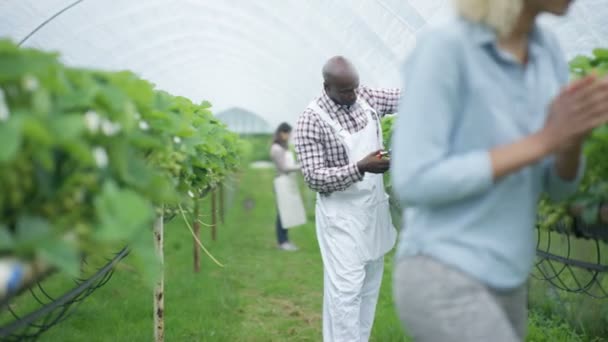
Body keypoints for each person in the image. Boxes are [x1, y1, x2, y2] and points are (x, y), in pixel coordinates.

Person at [391, 0, 608, 341]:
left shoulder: (546, 51)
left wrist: (571, 139)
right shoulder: (446, 48)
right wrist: (544, 140)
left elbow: (558, 189)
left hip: (510, 279)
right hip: (444, 272)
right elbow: (414, 179)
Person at [295, 56, 400, 342]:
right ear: (326, 86)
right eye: (345, 91)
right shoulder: (311, 120)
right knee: (345, 293)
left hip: (373, 212)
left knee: (368, 291)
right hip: (342, 218)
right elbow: (314, 177)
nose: (353, 95)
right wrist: (360, 168)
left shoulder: (363, 96)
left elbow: (401, 98)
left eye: (355, 87)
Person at [270, 122, 301, 251]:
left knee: (287, 213)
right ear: (281, 132)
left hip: (287, 181)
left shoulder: (283, 147)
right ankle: (282, 242)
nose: (289, 136)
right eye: (287, 133)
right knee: (283, 213)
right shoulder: (276, 148)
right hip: (282, 181)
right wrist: (301, 166)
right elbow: (284, 168)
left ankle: (285, 241)